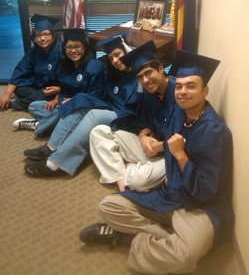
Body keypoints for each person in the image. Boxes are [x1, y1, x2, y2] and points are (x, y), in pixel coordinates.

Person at [80, 51, 234, 275]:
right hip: (170, 194)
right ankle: (166, 238)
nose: (182, 92)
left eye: (190, 86)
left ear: (205, 90)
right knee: (110, 205)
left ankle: (128, 239)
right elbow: (160, 143)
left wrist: (180, 157)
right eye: (179, 86)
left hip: (199, 207)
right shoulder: (180, 113)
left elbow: (207, 190)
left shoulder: (214, 130)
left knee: (183, 258)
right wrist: (165, 160)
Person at [23, 34, 142, 177]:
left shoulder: (140, 76)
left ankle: (56, 163)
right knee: (79, 102)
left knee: (91, 113)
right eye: (111, 58)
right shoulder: (114, 71)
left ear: (127, 51)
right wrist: (76, 99)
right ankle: (51, 147)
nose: (115, 61)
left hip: (125, 116)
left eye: (118, 55)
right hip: (111, 106)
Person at [89, 40, 175, 191]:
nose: (145, 81)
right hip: (150, 149)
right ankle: (121, 182)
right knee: (98, 133)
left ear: (161, 68)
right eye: (140, 77)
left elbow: (188, 140)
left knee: (138, 181)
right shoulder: (148, 93)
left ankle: (130, 167)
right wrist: (143, 137)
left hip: (171, 157)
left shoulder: (180, 93)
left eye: (148, 73)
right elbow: (144, 123)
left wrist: (159, 146)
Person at [0, 14, 62, 111]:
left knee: (50, 94)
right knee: (18, 89)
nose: (42, 38)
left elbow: (69, 77)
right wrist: (7, 94)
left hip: (57, 90)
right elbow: (21, 70)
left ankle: (17, 104)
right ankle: (40, 100)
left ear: (53, 36)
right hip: (39, 88)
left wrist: (59, 89)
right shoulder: (34, 51)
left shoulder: (61, 51)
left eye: (46, 34)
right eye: (38, 35)